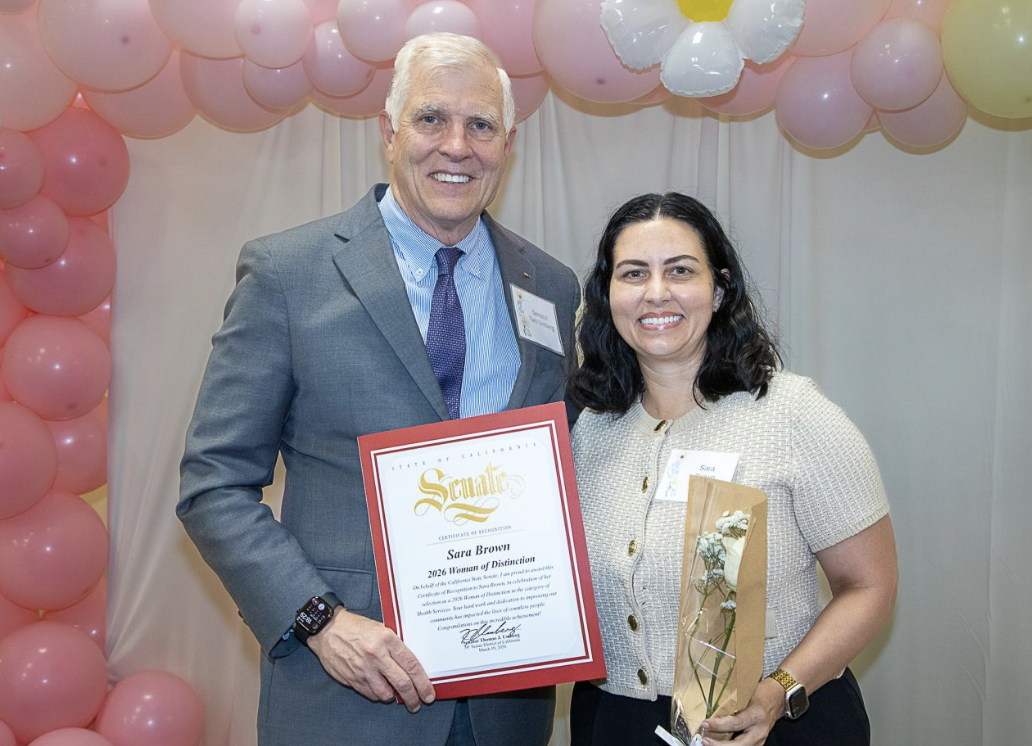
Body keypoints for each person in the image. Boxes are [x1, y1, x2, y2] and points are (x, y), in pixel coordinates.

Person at [177, 33, 580, 746]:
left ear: (507, 144)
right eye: (431, 119)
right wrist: (319, 620)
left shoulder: (549, 285)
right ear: (389, 132)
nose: (456, 146)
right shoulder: (288, 274)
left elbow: (561, 467)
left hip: (506, 707)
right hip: (345, 696)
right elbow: (214, 483)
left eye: (481, 125)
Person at [567, 192, 898, 746]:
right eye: (633, 273)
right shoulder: (589, 432)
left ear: (719, 289)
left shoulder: (792, 414)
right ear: (607, 294)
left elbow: (869, 586)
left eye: (680, 270)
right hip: (615, 721)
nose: (656, 292)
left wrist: (775, 694)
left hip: (769, 722)